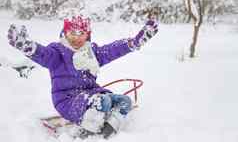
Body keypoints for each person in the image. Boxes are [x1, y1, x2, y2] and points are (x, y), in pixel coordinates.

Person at [7, 15, 158, 138]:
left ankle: (110, 127)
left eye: (81, 33)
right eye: (72, 32)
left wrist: (134, 42)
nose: (77, 38)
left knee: (124, 102)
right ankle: (87, 132)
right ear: (65, 33)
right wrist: (28, 47)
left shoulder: (91, 52)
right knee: (102, 101)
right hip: (67, 101)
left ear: (88, 34)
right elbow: (43, 54)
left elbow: (112, 50)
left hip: (92, 94)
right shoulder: (57, 52)